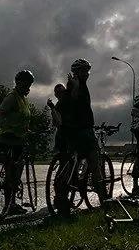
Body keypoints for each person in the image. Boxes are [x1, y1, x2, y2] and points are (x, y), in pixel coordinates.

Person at [53, 59, 108, 216]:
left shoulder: (76, 85)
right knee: (95, 165)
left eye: (87, 71)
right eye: (83, 71)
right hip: (83, 132)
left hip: (74, 132)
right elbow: (74, 102)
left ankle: (63, 197)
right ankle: (105, 201)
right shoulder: (74, 85)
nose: (86, 74)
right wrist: (75, 87)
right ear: (77, 72)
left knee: (71, 164)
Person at [0, 70, 35, 215]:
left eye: (29, 84)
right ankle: (9, 205)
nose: (28, 87)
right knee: (12, 172)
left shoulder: (22, 98)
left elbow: (22, 117)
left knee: (16, 171)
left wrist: (26, 129)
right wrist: (10, 128)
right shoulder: (12, 97)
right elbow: (0, 114)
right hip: (8, 138)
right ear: (18, 83)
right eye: (26, 83)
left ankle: (12, 203)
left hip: (19, 138)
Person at [46, 83, 67, 158]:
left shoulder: (67, 102)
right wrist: (52, 108)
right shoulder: (58, 105)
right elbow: (57, 122)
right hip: (64, 133)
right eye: (58, 93)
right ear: (56, 95)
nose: (60, 94)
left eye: (62, 92)